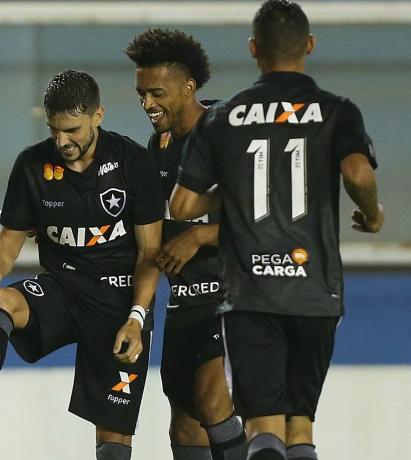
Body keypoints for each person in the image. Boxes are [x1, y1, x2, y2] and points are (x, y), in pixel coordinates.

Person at [169, 1, 384, 459]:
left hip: (251, 293)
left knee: (262, 427)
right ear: (309, 45)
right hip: (315, 290)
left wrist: (231, 191)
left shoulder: (223, 116)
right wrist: (372, 214)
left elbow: (182, 205)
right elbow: (359, 175)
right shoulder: (337, 111)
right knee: (300, 424)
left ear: (253, 49)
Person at [0, 70, 164, 460]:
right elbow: (9, 236)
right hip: (62, 288)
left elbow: (151, 254)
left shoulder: (134, 162)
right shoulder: (32, 165)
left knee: (115, 441)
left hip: (119, 300)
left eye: (72, 130)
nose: (62, 141)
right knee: (0, 300)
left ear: (98, 116)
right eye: (54, 131)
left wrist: (137, 316)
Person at [125, 28, 246, 460]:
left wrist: (200, 235)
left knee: (214, 403)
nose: (147, 104)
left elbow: (270, 222)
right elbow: (151, 237)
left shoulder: (231, 130)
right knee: (186, 417)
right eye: (141, 94)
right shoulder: (156, 149)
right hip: (185, 301)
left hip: (235, 295)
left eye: (156, 93)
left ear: (189, 87)